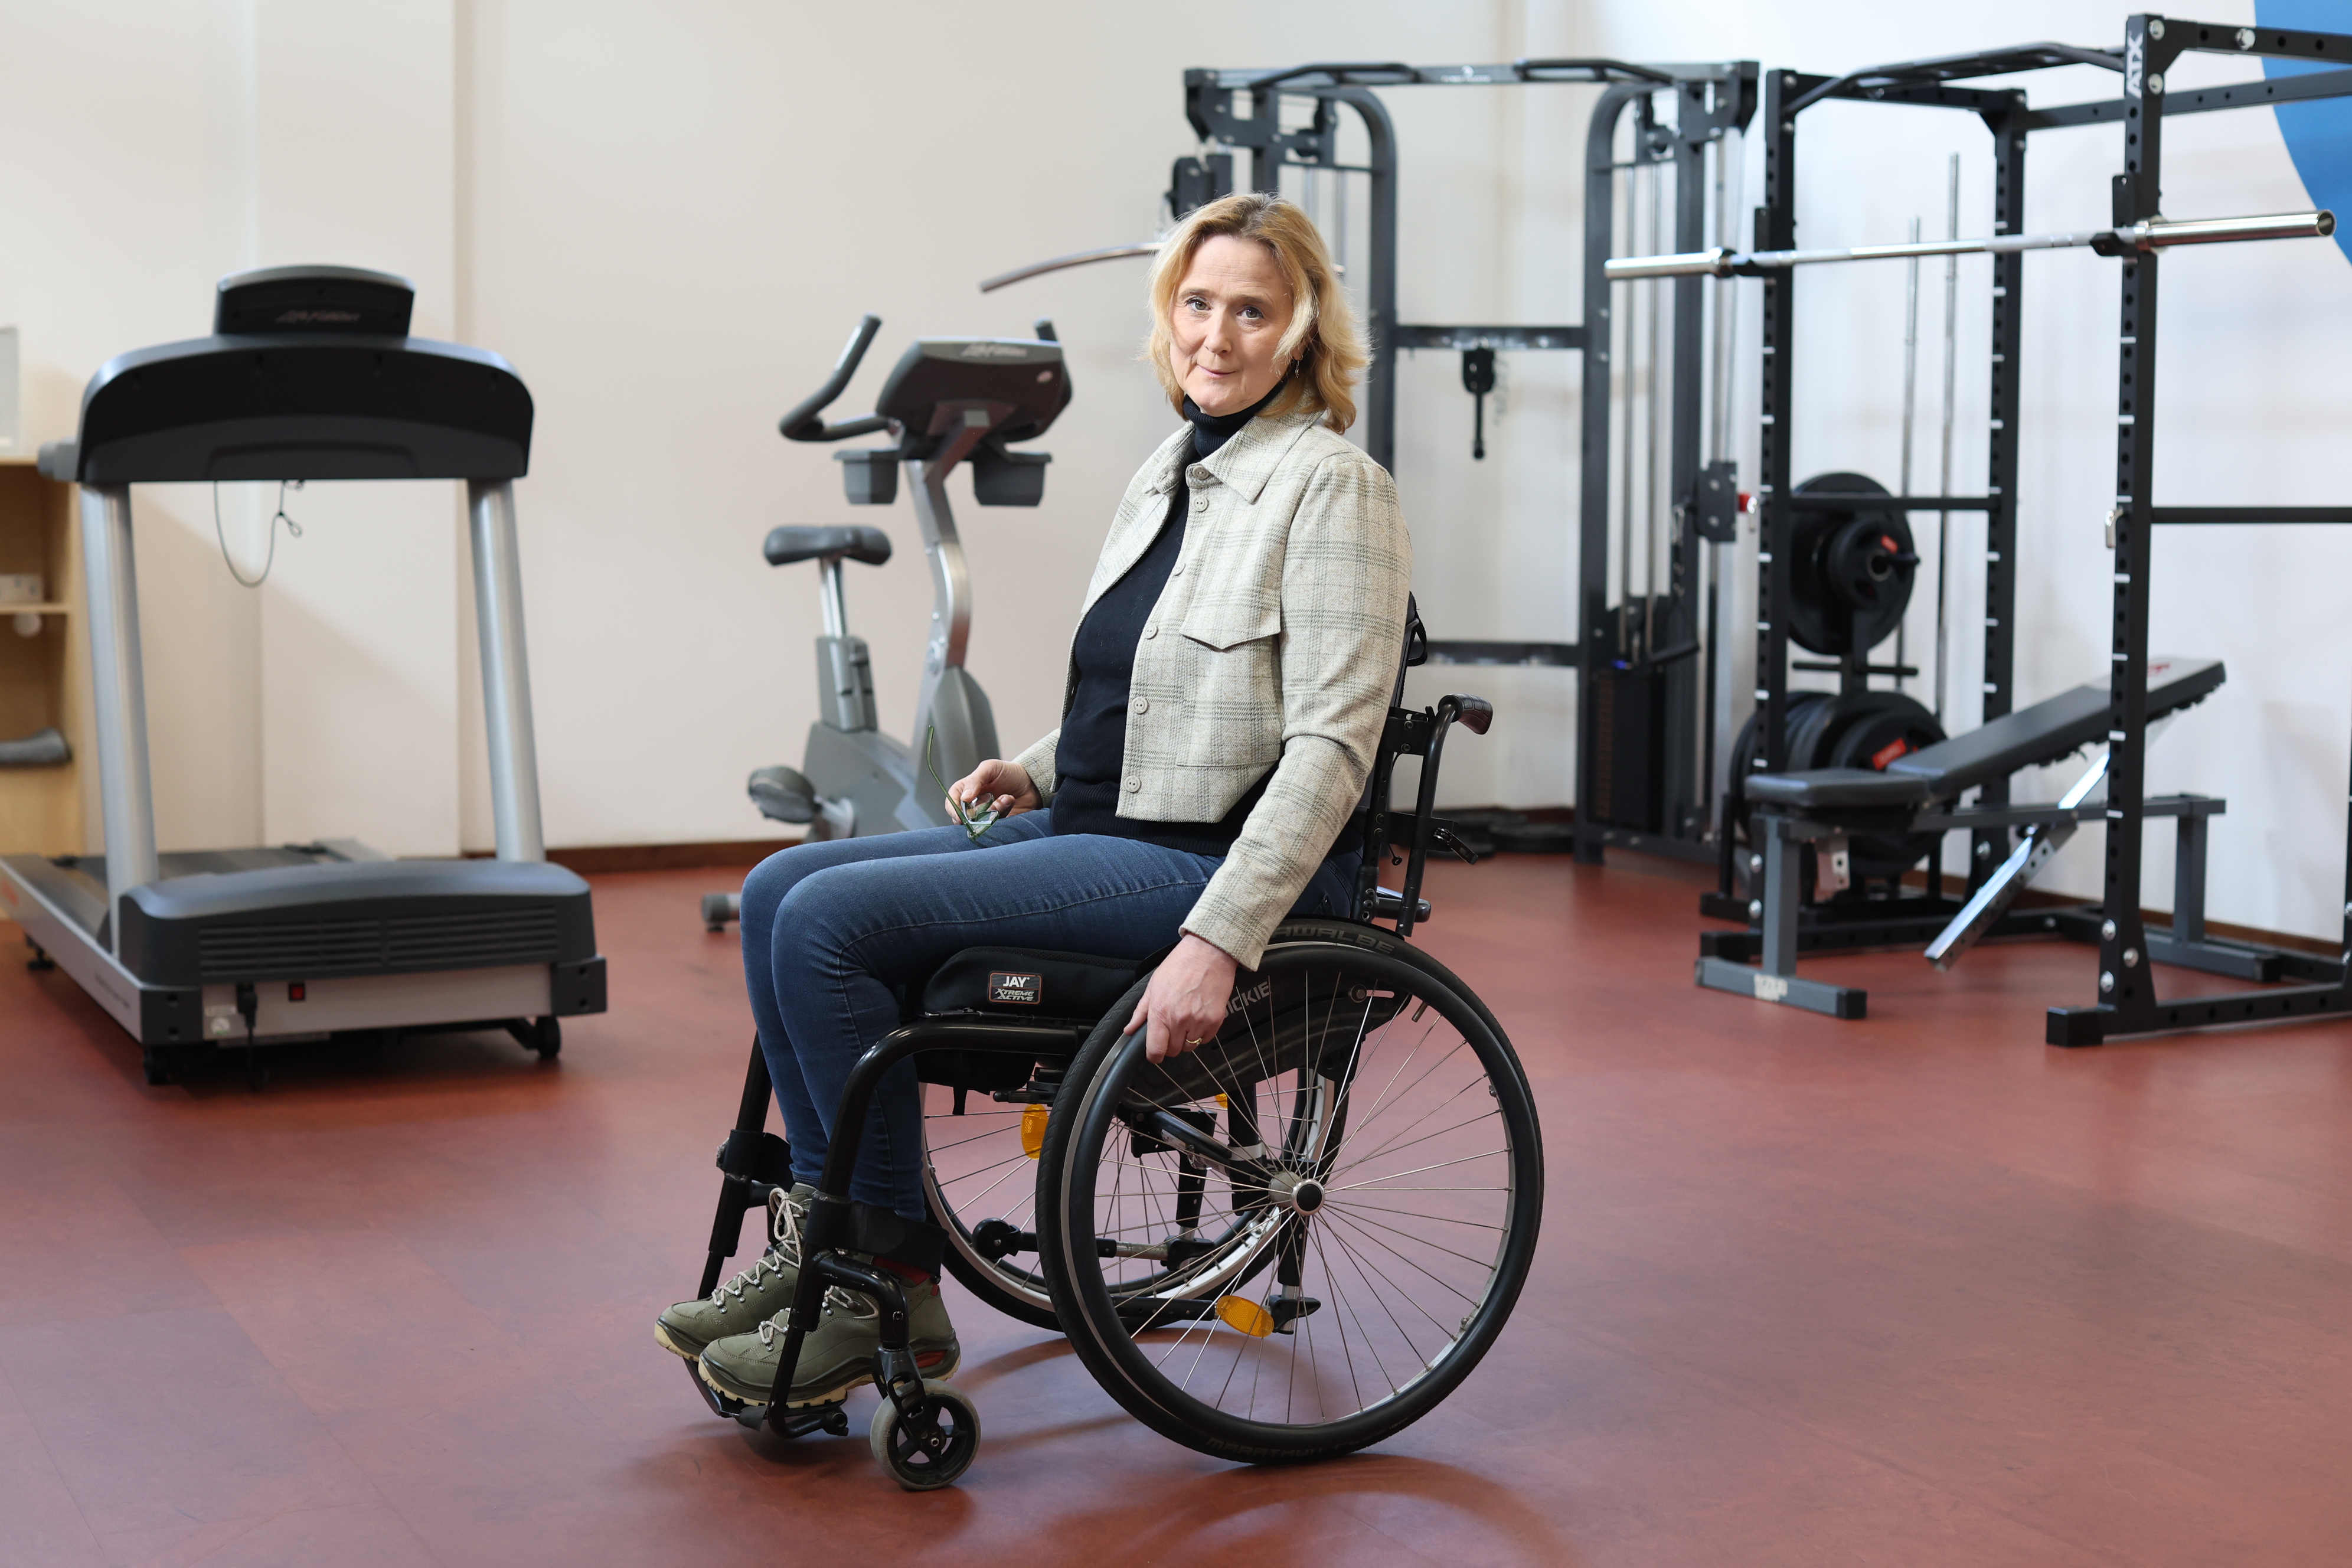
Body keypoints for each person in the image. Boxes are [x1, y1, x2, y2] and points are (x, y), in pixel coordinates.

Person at [655, 191, 1410, 1413]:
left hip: (1206, 864)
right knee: (779, 885)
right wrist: (1040, 767)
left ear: (1303, 330)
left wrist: (1221, 937)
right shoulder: (1173, 468)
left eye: (1251, 311)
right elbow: (1154, 683)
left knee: (832, 924)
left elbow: (1332, 745)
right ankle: (823, 1246)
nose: (1216, 334)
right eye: (1198, 303)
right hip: (1105, 824)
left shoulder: (1334, 486)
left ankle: (882, 1281)